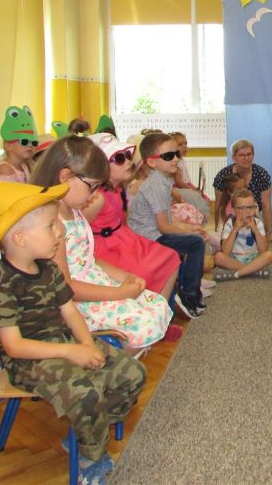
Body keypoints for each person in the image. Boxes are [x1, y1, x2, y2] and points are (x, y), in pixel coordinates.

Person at [0, 182, 146, 485]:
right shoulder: (0, 284)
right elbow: (14, 346)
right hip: (28, 359)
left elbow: (70, 313)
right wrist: (72, 351)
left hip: (65, 343)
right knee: (86, 392)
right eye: (51, 226)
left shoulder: (50, 270)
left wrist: (86, 344)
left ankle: (86, 433)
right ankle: (91, 459)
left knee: (133, 374)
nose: (60, 232)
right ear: (19, 238)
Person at [30, 136, 176, 347]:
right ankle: (110, 359)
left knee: (156, 304)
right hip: (75, 301)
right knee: (145, 322)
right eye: (91, 186)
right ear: (64, 177)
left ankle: (125, 356)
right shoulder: (53, 225)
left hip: (93, 283)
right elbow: (65, 286)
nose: (94, 195)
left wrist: (125, 276)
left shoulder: (74, 212)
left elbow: (90, 258)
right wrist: (119, 292)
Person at [79, 134, 186, 316]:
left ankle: (160, 315)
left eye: (128, 156)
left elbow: (121, 219)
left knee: (170, 258)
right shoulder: (97, 198)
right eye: (119, 158)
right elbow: (79, 231)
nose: (128, 161)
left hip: (123, 238)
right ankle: (149, 315)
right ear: (100, 166)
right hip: (106, 248)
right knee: (145, 270)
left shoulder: (117, 189)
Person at [121, 132, 208, 320]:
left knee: (193, 237)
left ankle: (187, 287)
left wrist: (188, 228)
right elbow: (163, 227)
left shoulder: (164, 180)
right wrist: (187, 231)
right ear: (152, 162)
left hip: (153, 232)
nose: (175, 159)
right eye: (168, 156)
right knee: (195, 244)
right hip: (146, 237)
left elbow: (166, 220)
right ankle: (189, 293)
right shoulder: (157, 185)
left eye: (176, 154)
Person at [212, 140, 272, 236]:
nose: (246, 158)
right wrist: (218, 231)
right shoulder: (222, 175)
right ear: (233, 157)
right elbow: (218, 206)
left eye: (249, 154)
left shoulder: (262, 174)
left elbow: (266, 205)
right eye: (242, 155)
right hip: (229, 216)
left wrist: (269, 232)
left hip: (255, 215)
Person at [215, 187, 272, 280]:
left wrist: (255, 229)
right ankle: (250, 271)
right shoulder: (230, 224)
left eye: (250, 207)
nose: (247, 211)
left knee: (269, 255)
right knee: (218, 257)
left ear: (255, 208)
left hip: (253, 259)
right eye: (242, 208)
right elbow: (225, 251)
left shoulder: (258, 223)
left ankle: (240, 272)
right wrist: (235, 229)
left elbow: (263, 249)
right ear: (234, 211)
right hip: (234, 259)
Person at [0, 105, 39, 183]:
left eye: (34, 142)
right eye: (24, 141)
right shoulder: (5, 168)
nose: (30, 145)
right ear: (8, 145)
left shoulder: (24, 167)